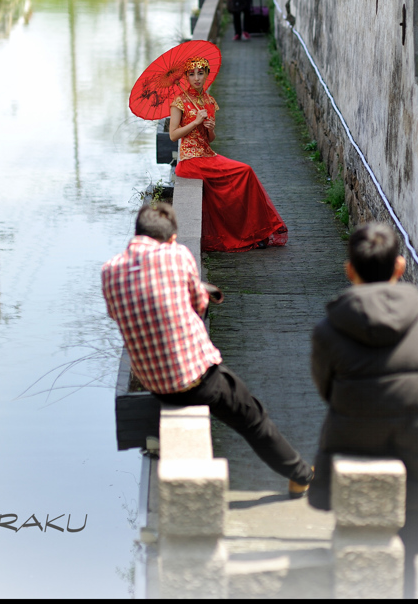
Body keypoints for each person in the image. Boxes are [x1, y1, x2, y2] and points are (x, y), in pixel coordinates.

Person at [308, 222, 418, 599]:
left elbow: (327, 390)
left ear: (349, 270)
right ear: (400, 267)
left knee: (363, 553)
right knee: (409, 564)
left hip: (355, 453)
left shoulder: (328, 331)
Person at [102, 201, 314, 497]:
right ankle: (300, 475)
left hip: (153, 384)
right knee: (252, 417)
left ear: (137, 233)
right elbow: (197, 305)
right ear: (172, 237)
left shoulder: (110, 271)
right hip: (196, 379)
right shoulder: (178, 255)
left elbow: (118, 313)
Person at [170, 52, 288, 252]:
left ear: (207, 74)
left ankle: (257, 231)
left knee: (245, 172)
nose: (196, 78)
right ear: (186, 77)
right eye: (192, 74)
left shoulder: (208, 100)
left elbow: (210, 139)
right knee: (243, 172)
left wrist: (209, 128)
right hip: (191, 161)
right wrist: (196, 122)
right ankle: (250, 232)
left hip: (208, 156)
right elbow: (173, 135)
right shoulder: (179, 101)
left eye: (200, 73)